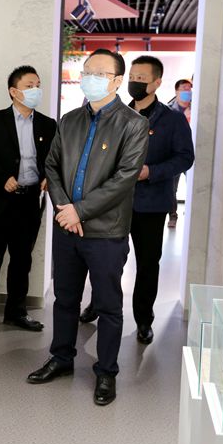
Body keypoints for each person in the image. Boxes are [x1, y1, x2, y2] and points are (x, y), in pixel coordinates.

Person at [27, 48, 148, 407]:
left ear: (117, 81)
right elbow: (52, 166)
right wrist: (65, 210)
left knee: (108, 305)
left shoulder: (133, 124)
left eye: (99, 73)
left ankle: (106, 371)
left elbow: (124, 179)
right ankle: (61, 357)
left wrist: (78, 211)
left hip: (106, 233)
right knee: (65, 299)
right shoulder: (70, 120)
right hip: (67, 229)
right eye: (87, 72)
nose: (90, 79)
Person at [80, 56, 194, 345]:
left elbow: (185, 157)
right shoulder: (114, 113)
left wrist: (151, 172)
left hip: (151, 204)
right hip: (112, 201)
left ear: (157, 83)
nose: (135, 83)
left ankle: (143, 319)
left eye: (142, 79)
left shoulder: (172, 120)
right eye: (132, 77)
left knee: (147, 264)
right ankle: (97, 303)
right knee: (105, 259)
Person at [0, 65, 57, 333]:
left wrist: (48, 177)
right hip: (0, 200)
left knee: (22, 259)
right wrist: (1, 177)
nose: (36, 90)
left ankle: (16, 312)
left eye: (38, 85)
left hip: (29, 201)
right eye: (29, 86)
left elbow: (54, 158)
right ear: (14, 91)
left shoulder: (48, 124)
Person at [166, 78, 193, 228]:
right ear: (176, 91)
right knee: (172, 188)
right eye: (184, 89)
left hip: (191, 154)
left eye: (189, 89)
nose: (187, 92)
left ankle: (190, 212)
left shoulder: (197, 108)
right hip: (174, 155)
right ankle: (172, 215)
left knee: (193, 185)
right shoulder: (168, 110)